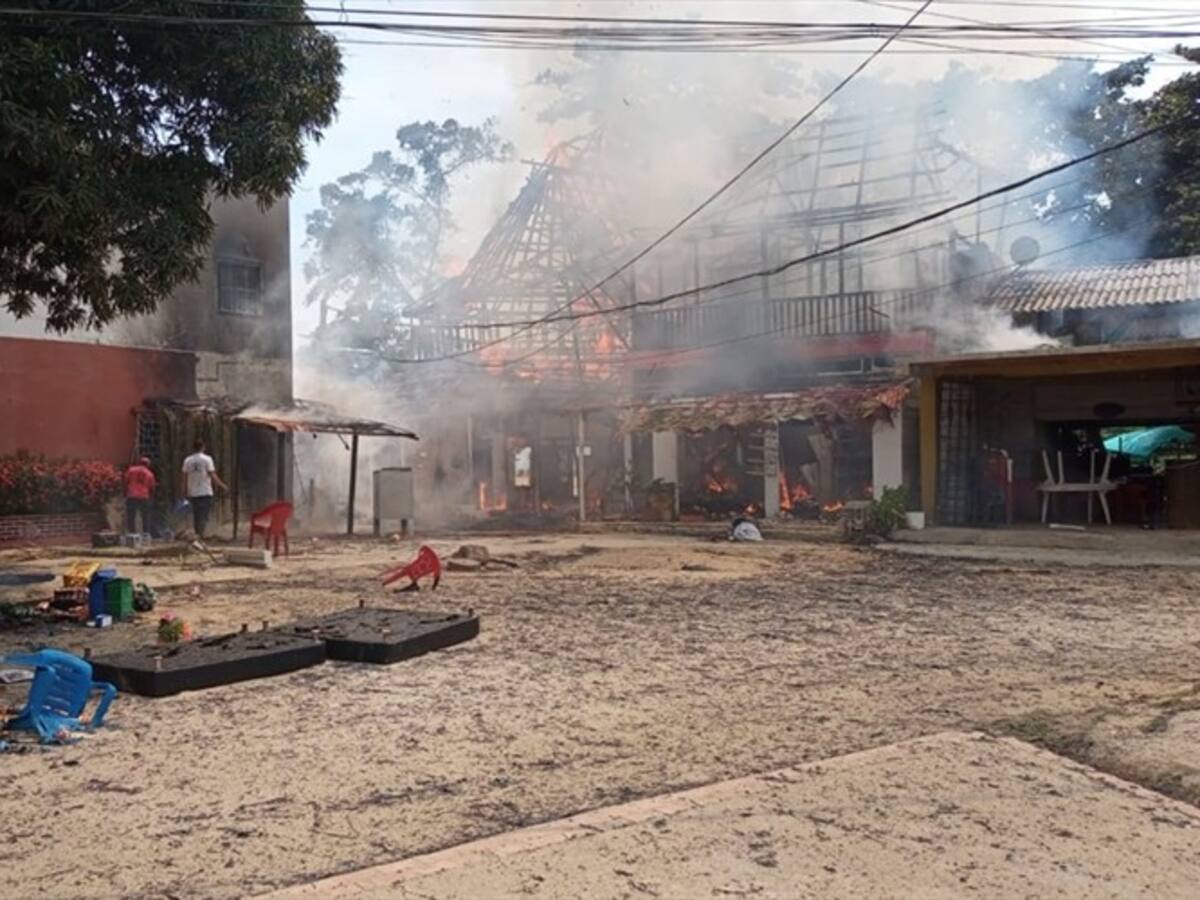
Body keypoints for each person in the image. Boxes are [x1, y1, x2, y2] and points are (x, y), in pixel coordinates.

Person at [181, 439, 227, 539]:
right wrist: (221, 485)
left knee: (197, 514)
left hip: (192, 492)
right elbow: (212, 474)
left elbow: (184, 477)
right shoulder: (207, 459)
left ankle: (198, 533)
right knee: (204, 514)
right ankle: (200, 534)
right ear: (203, 447)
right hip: (205, 491)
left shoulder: (187, 460)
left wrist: (184, 491)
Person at [124, 456, 156, 535]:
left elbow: (125, 481)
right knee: (145, 517)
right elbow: (152, 487)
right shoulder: (149, 474)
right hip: (144, 496)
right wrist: (151, 497)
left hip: (131, 495)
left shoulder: (131, 470)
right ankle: (146, 534)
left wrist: (125, 492)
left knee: (131, 516)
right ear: (148, 465)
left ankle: (132, 533)